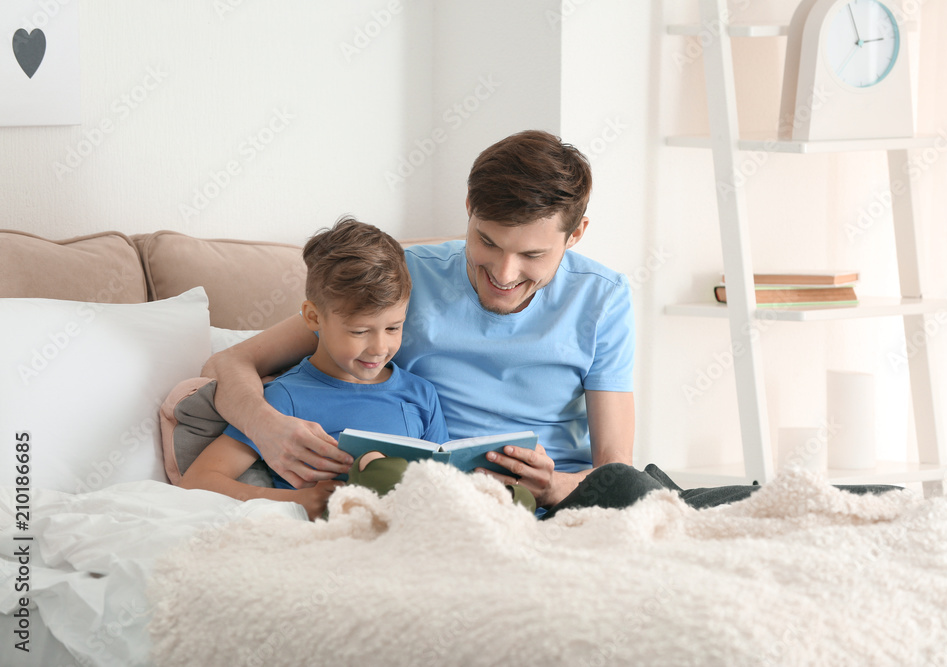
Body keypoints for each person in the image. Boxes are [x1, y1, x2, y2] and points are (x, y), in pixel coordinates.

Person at [202, 130, 896, 518]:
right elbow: (228, 366)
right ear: (468, 209)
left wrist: (558, 485)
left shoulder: (603, 299)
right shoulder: (402, 281)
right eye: (486, 241)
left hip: (559, 496)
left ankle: (849, 505)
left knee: (659, 495)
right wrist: (268, 428)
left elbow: (612, 460)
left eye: (531, 253)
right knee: (679, 510)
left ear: (576, 234)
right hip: (448, 503)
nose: (503, 272)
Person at [181, 218, 456, 520]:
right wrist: (293, 500)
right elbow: (199, 480)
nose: (380, 348)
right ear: (313, 317)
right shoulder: (284, 400)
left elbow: (448, 482)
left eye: (393, 327)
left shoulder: (421, 394)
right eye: (359, 331)